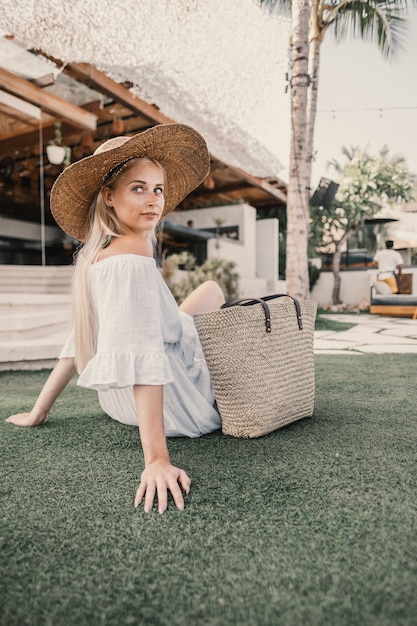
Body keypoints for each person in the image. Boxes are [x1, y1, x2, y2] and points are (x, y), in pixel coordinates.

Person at [5, 123, 225, 514]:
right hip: (179, 404)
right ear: (109, 197)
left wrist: (40, 411)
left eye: (157, 189)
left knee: (206, 294)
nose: (153, 199)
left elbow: (78, 343)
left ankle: (181, 323)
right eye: (137, 188)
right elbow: (141, 353)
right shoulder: (134, 252)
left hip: (118, 404)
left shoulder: (95, 258)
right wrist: (156, 458)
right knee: (212, 293)